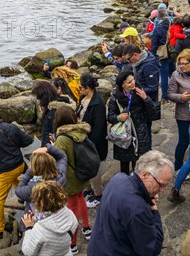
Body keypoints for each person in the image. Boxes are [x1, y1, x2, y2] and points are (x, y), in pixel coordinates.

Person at [87, 150, 173, 256]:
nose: (162, 190)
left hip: (97, 247)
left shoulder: (118, 178)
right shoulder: (138, 208)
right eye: (161, 184)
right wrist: (154, 212)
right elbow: (151, 249)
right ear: (145, 174)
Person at [0, 109, 33, 238]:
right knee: (15, 179)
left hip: (7, 170)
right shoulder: (11, 127)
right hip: (20, 165)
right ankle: (24, 196)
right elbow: (27, 140)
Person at [53, 106, 93, 254]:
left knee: (72, 210)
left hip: (70, 178)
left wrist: (52, 147)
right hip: (83, 174)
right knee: (80, 197)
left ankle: (73, 244)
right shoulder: (81, 131)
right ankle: (87, 228)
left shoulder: (62, 139)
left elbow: (58, 161)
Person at [108, 70, 155, 175]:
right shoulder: (115, 97)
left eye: (133, 80)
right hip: (124, 135)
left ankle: (136, 184)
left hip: (139, 133)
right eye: (129, 82)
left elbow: (152, 111)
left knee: (138, 164)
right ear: (123, 85)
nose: (133, 83)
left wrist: (146, 98)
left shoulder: (139, 92)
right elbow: (110, 117)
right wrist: (118, 117)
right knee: (124, 165)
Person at [20, 181, 78, 256]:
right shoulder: (70, 215)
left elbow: (28, 252)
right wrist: (38, 217)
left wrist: (29, 227)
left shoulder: (40, 230)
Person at [76, 73, 107, 208]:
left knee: (94, 168)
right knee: (85, 167)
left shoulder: (98, 104)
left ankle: (98, 194)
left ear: (88, 88)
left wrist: (90, 146)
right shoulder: (84, 98)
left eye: (81, 87)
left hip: (93, 143)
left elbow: (99, 129)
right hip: (84, 140)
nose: (79, 89)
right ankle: (88, 188)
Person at [168, 49, 190, 175]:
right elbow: (170, 94)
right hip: (183, 114)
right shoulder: (176, 75)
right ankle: (178, 166)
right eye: (180, 63)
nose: (182, 66)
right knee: (184, 141)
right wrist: (181, 97)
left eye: (185, 63)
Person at [15, 146, 67, 216]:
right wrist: (47, 148)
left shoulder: (31, 188)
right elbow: (62, 157)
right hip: (57, 212)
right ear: (52, 164)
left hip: (36, 219)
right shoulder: (60, 176)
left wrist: (30, 171)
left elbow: (18, 190)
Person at [31, 81, 72, 146]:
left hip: (52, 147)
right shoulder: (52, 106)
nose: (39, 101)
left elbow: (50, 132)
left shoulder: (54, 111)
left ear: (44, 97)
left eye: (39, 98)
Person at [151, 8, 172, 103]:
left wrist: (152, 54)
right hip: (172, 51)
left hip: (163, 53)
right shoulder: (171, 24)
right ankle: (175, 92)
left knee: (163, 75)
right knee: (173, 73)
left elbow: (154, 44)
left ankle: (164, 97)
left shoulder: (158, 29)